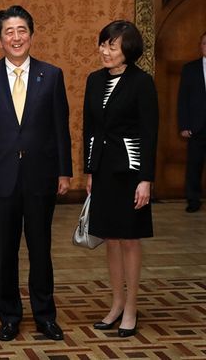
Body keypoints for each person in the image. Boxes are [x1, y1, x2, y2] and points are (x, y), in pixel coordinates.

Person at [0, 5, 72, 342]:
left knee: (41, 248)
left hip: (41, 175)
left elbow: (61, 128)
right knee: (6, 250)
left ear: (31, 34)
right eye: (8, 32)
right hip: (1, 177)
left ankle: (45, 315)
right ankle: (9, 315)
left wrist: (64, 171)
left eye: (21, 30)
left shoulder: (52, 74)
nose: (16, 37)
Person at [83, 20, 158, 338]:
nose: (105, 50)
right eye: (103, 44)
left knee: (129, 239)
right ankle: (115, 304)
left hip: (130, 172)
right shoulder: (94, 80)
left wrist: (146, 179)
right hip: (102, 172)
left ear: (128, 50)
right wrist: (89, 169)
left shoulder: (142, 83)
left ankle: (131, 306)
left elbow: (149, 132)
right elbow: (89, 126)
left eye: (112, 46)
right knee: (109, 240)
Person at [177, 31, 206, 213]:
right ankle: (193, 200)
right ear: (200, 46)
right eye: (204, 43)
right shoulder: (190, 69)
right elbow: (183, 99)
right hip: (196, 126)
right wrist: (184, 125)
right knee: (194, 165)